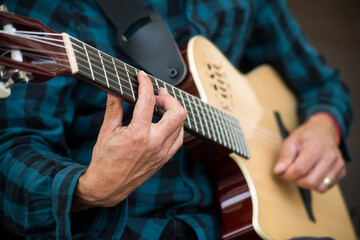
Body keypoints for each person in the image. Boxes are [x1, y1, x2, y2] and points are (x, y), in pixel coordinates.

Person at [0, 0, 352, 239]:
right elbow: (12, 149)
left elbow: (320, 84)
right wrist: (88, 189)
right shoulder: (54, 7)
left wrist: (324, 127)